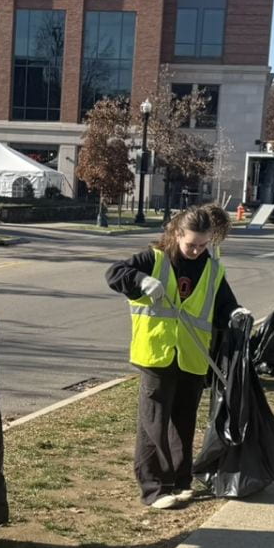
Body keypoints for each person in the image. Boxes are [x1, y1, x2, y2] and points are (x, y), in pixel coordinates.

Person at [106, 204, 249, 509]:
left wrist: (235, 313)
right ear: (177, 234)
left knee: (184, 422)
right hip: (156, 354)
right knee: (154, 424)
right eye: (191, 244)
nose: (196, 251)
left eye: (202, 245)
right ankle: (153, 489)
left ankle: (180, 481)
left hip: (192, 355)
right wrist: (141, 281)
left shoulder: (212, 268)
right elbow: (115, 273)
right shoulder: (154, 259)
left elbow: (223, 303)